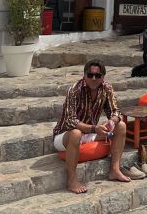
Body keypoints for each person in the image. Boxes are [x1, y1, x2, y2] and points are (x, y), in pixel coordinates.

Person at [52, 59, 141, 194]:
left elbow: (115, 112)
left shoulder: (106, 88)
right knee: (76, 133)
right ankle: (71, 180)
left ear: (103, 77)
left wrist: (112, 121)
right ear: (84, 75)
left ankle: (115, 170)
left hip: (89, 133)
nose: (93, 78)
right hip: (65, 135)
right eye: (90, 75)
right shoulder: (75, 90)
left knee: (121, 126)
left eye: (97, 75)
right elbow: (70, 122)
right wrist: (94, 129)